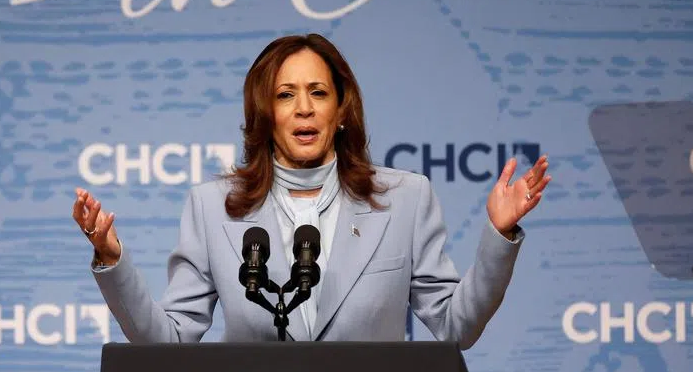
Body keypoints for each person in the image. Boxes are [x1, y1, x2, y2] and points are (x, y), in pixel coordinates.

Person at [72, 34, 550, 345]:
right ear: (265, 114)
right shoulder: (212, 207)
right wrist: (112, 260)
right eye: (285, 95)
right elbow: (170, 340)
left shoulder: (405, 199)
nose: (304, 108)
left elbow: (455, 327)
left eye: (318, 92)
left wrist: (499, 236)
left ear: (341, 111)